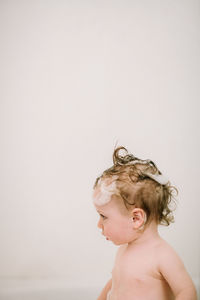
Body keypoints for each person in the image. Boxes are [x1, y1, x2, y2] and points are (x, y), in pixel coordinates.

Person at [92, 146, 197, 300]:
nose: (99, 224)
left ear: (136, 219)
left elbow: (187, 292)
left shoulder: (162, 255)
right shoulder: (124, 250)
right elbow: (115, 284)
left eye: (103, 216)